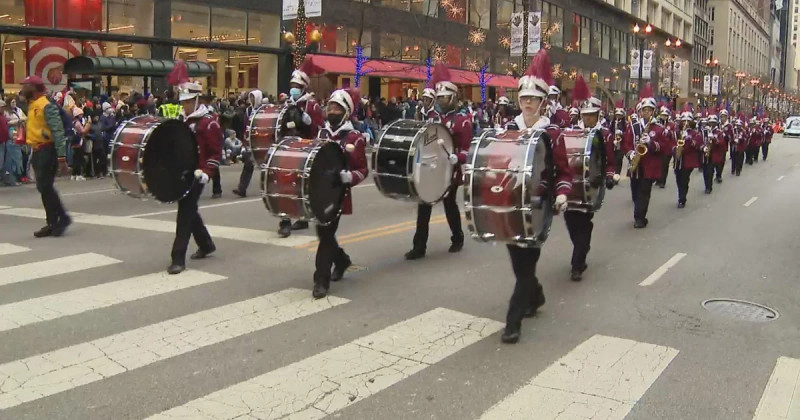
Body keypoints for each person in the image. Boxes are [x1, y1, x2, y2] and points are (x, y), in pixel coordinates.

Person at [501, 50, 572, 343]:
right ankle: (537, 295)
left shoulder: (553, 134)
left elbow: (565, 172)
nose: (527, 103)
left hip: (538, 206)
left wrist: (562, 194)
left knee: (526, 263)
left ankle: (512, 322)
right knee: (520, 265)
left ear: (543, 103)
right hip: (510, 205)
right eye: (524, 98)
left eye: (533, 99)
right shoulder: (508, 129)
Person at [404, 62, 468, 260]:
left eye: (444, 97)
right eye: (438, 97)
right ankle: (419, 246)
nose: (440, 101)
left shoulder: (462, 120)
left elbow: (468, 148)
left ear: (453, 97)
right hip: (431, 166)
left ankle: (457, 237)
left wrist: (459, 157)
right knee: (424, 204)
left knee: (449, 204)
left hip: (450, 168)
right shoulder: (431, 117)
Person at [311, 89, 369, 299]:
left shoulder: (355, 137)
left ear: (346, 112)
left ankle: (321, 280)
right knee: (323, 233)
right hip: (319, 191)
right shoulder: (321, 134)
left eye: (337, 108)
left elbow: (363, 170)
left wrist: (350, 177)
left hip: (338, 193)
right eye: (331, 107)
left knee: (325, 235)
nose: (332, 111)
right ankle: (342, 260)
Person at [562, 75, 616, 281]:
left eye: (591, 115)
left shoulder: (604, 135)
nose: (587, 119)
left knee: (583, 224)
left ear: (597, 114)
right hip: (571, 187)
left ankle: (577, 264)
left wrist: (609, 176)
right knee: (571, 223)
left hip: (590, 186)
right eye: (585, 115)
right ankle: (581, 247)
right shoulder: (572, 133)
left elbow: (609, 160)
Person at [168, 76, 220, 275]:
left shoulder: (209, 123)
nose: (185, 106)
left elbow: (215, 152)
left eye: (188, 102)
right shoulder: (182, 120)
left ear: (197, 101)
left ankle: (178, 257)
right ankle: (206, 244)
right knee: (190, 211)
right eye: (183, 102)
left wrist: (207, 173)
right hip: (183, 172)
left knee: (184, 213)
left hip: (198, 175)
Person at [276, 58, 325, 237]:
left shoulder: (312, 105)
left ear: (304, 87)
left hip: (304, 150)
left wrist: (308, 121)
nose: (293, 88)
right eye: (292, 85)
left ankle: (302, 218)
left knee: (299, 186)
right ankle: (285, 221)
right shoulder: (287, 103)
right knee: (283, 185)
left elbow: (319, 130)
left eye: (297, 85)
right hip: (287, 148)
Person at [22, 76, 71, 237]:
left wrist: (62, 157)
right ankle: (57, 220)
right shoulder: (33, 105)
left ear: (34, 87)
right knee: (44, 188)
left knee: (45, 187)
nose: (23, 88)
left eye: (26, 85)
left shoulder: (46, 105)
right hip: (37, 150)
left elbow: (57, 131)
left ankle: (58, 220)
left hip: (47, 150)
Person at [621, 83, 667, 229]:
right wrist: (631, 154)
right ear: (640, 111)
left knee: (644, 193)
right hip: (635, 165)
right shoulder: (633, 127)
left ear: (654, 112)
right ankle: (638, 212)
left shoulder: (659, 128)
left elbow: (665, 147)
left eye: (649, 110)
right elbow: (626, 144)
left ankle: (639, 218)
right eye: (644, 110)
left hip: (649, 167)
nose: (646, 112)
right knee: (635, 192)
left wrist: (651, 143)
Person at [673, 107, 702, 208]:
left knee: (684, 179)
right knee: (678, 179)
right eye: (684, 121)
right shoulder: (676, 132)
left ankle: (682, 199)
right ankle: (681, 194)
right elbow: (671, 143)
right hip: (678, 160)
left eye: (688, 121)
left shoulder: (695, 133)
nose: (686, 123)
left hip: (688, 160)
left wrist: (689, 139)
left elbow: (697, 144)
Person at [655, 104, 675, 188]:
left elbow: (674, 135)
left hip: (667, 148)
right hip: (659, 147)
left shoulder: (671, 124)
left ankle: (663, 181)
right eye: (663, 115)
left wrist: (669, 132)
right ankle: (658, 179)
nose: (664, 117)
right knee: (658, 164)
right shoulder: (656, 123)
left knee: (664, 165)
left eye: (665, 115)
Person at [71, 106, 89, 181]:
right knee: (79, 158)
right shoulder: (78, 123)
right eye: (81, 114)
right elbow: (83, 131)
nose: (82, 116)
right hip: (79, 142)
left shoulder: (73, 122)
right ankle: (78, 174)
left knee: (75, 158)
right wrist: (88, 125)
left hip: (74, 142)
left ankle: (73, 174)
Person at [610, 100, 627, 182]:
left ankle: (617, 175)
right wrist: (613, 136)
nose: (618, 116)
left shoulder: (625, 123)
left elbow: (628, 134)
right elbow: (609, 132)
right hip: (613, 143)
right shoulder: (612, 122)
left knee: (619, 160)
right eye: (617, 115)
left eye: (620, 115)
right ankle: (612, 174)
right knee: (612, 159)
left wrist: (622, 133)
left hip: (621, 144)